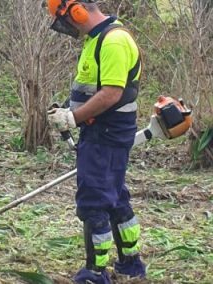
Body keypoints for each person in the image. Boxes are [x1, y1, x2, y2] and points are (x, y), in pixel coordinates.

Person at [46, 1, 146, 283]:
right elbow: (89, 88)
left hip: (106, 133)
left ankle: (95, 272)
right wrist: (67, 108)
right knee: (114, 196)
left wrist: (73, 118)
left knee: (94, 201)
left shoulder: (113, 41)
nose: (64, 26)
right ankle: (130, 262)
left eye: (63, 18)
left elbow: (112, 93)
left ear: (76, 11)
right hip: (102, 132)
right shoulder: (96, 40)